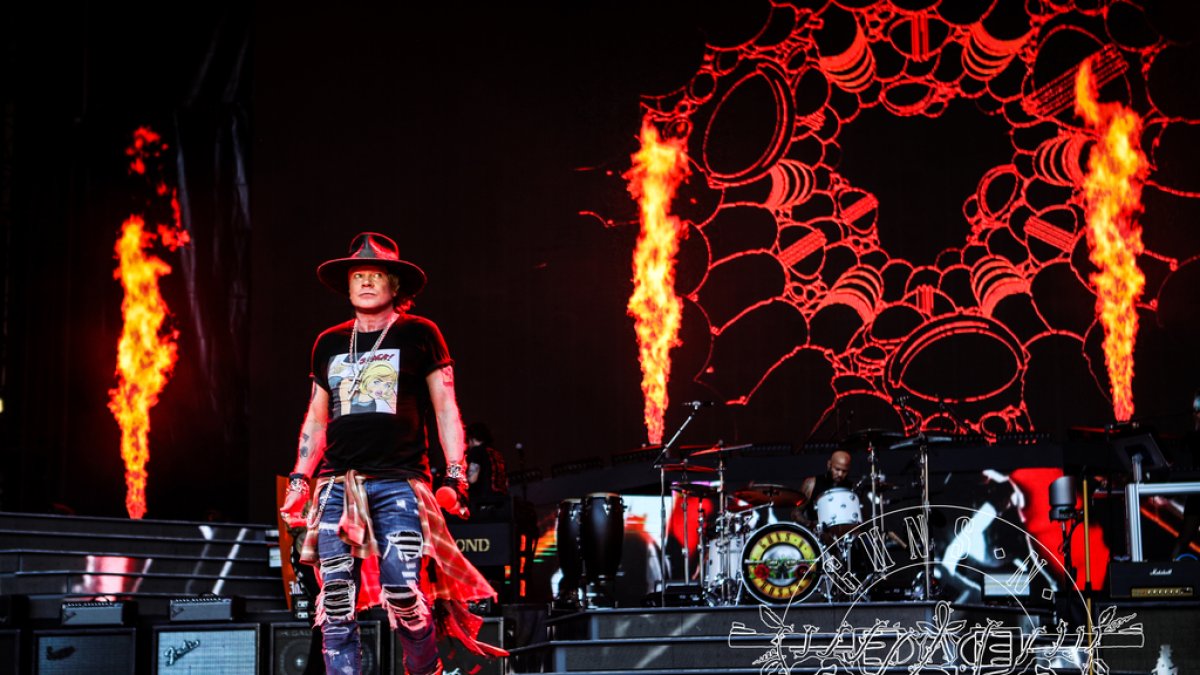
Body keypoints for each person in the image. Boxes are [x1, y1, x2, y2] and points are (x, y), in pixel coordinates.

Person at [279, 232, 504, 675]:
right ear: (347, 286)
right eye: (357, 276)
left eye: (375, 275)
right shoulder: (328, 342)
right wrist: (301, 479)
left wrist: (455, 477)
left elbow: (445, 408)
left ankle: (425, 669)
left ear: (394, 285)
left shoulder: (420, 334)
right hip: (336, 483)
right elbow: (316, 418)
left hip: (400, 481)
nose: (365, 283)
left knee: (403, 592)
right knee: (337, 600)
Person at [464, 422, 509, 516]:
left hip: (483, 504)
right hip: (502, 504)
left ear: (471, 438)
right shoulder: (497, 454)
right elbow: (506, 482)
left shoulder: (476, 451)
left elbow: (472, 479)